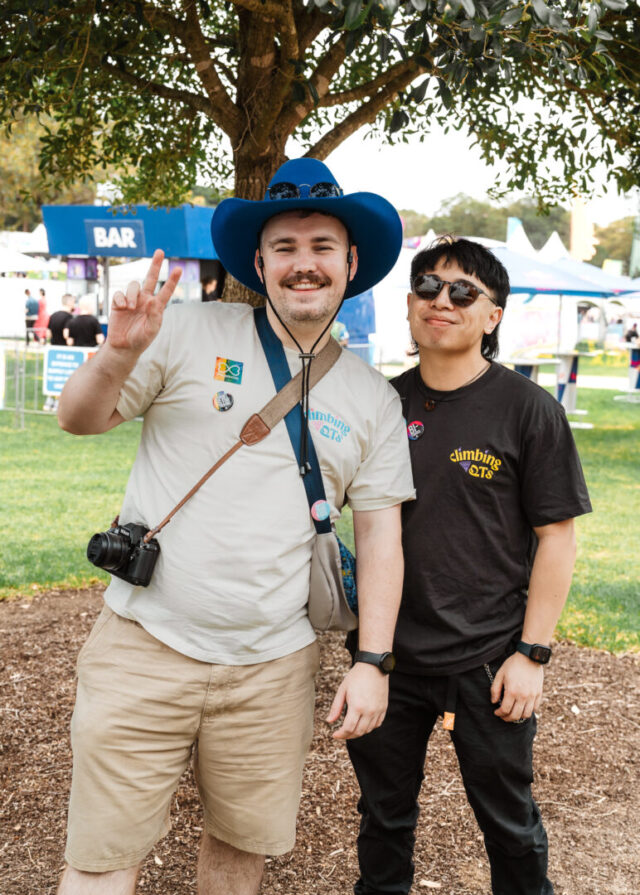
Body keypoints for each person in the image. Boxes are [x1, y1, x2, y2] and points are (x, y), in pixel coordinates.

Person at [56, 157, 415, 895]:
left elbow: (381, 537)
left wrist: (372, 661)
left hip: (273, 670)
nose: (304, 264)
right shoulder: (186, 331)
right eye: (285, 247)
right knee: (100, 859)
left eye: (322, 247)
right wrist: (118, 352)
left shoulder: (373, 399)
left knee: (237, 856)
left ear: (351, 262)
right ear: (259, 261)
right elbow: (78, 419)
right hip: (143, 649)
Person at [346, 237, 592, 895]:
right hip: (389, 657)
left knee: (509, 825)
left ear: (492, 316)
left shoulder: (528, 409)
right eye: (427, 286)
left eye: (463, 291)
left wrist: (532, 654)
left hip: (488, 658)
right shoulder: (379, 404)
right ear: (408, 305)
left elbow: (557, 538)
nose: (441, 301)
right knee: (382, 821)